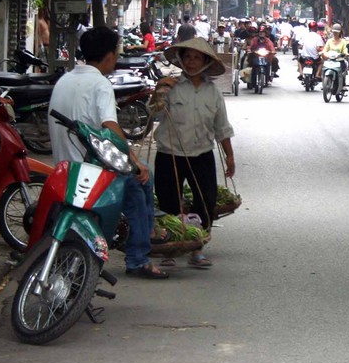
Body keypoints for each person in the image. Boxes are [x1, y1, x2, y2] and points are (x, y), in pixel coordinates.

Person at [48, 26, 168, 279]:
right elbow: (111, 127)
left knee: (143, 180)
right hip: (92, 169)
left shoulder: (65, 79)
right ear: (110, 55)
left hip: (64, 165)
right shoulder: (100, 84)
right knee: (141, 182)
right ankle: (138, 257)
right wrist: (134, 160)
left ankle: (144, 233)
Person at [151, 38, 236, 269]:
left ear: (206, 62)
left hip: (202, 155)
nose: (191, 62)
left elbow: (222, 127)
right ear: (180, 59)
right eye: (187, 57)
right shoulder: (170, 85)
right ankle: (169, 250)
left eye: (196, 57)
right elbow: (153, 112)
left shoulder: (213, 92)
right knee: (169, 203)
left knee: (205, 202)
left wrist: (229, 156)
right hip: (170, 155)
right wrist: (158, 92)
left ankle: (197, 249)